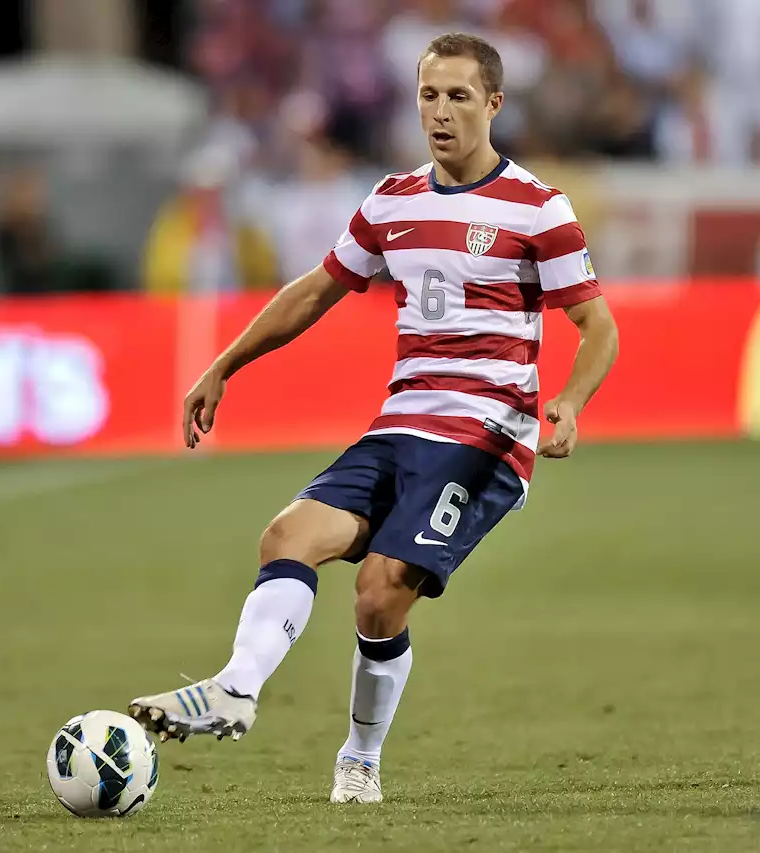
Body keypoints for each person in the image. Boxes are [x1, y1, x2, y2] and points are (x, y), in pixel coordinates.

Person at [129, 32, 620, 805]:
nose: (441, 111)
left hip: (485, 439)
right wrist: (223, 364)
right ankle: (235, 687)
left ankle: (360, 756)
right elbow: (314, 291)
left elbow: (599, 328)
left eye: (459, 95)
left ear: (494, 104)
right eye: (429, 95)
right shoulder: (392, 200)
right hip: (400, 426)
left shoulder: (537, 207)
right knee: (287, 535)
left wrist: (569, 400)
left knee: (381, 589)